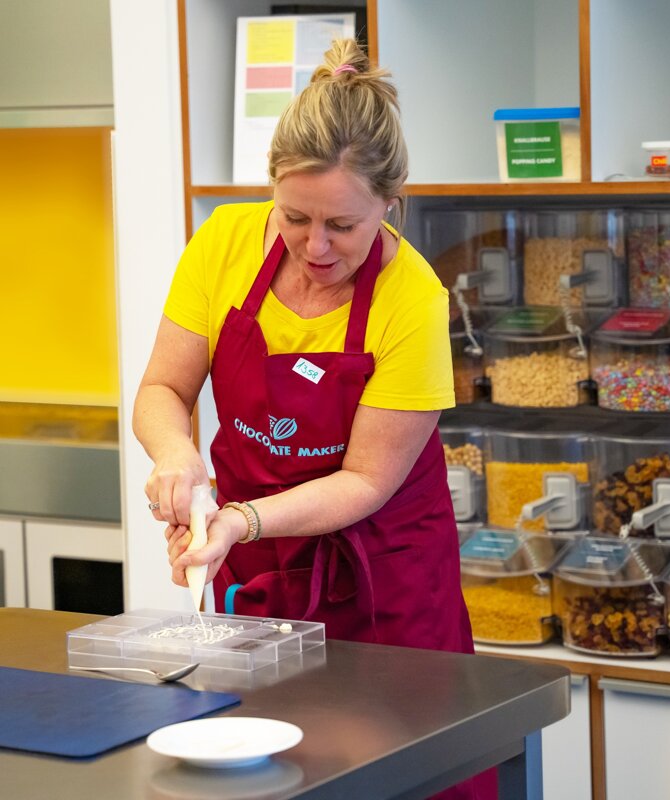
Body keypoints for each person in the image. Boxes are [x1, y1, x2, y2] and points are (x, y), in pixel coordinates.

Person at [134, 38, 496, 800]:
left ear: (391, 206)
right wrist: (178, 461)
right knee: (265, 775)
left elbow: (366, 480)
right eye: (295, 217)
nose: (315, 247)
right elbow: (164, 390)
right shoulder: (224, 243)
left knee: (403, 778)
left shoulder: (414, 302)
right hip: (260, 573)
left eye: (344, 225)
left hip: (385, 585)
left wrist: (240, 519)